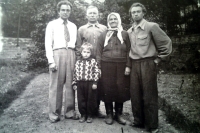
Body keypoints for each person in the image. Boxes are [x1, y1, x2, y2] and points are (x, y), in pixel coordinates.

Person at [127, 3, 172, 133]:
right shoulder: (130, 31)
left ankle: (152, 125)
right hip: (134, 64)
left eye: (138, 12)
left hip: (148, 63)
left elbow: (166, 43)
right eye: (133, 12)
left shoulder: (152, 26)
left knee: (149, 95)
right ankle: (138, 121)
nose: (135, 14)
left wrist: (158, 59)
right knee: (135, 94)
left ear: (143, 13)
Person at [45, 0, 79, 123]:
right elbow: (48, 44)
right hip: (57, 54)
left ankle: (69, 112)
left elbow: (75, 44)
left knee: (71, 84)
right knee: (56, 86)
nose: (65, 12)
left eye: (68, 10)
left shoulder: (73, 26)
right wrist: (51, 61)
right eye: (63, 10)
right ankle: (54, 114)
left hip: (71, 53)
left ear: (70, 11)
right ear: (59, 11)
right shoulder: (52, 24)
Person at [96, 12, 131, 125]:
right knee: (107, 89)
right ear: (108, 21)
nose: (113, 21)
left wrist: (128, 65)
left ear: (119, 20)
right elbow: (98, 52)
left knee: (120, 88)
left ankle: (118, 114)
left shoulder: (125, 34)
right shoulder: (103, 35)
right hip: (106, 65)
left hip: (121, 65)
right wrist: (99, 67)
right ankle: (109, 114)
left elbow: (130, 51)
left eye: (115, 19)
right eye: (110, 19)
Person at [76, 5, 107, 118]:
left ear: (98, 15)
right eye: (90, 13)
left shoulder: (104, 28)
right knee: (86, 88)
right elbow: (78, 47)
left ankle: (96, 109)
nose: (92, 15)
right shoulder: (82, 29)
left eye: (94, 13)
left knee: (98, 85)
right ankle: (85, 111)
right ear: (86, 15)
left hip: (101, 60)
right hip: (86, 62)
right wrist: (79, 61)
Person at [72, 42, 101, 123]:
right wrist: (74, 83)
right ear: (81, 52)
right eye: (84, 52)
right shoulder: (78, 62)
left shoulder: (93, 61)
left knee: (90, 99)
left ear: (91, 53)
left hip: (90, 83)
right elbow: (75, 73)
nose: (86, 54)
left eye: (88, 52)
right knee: (81, 100)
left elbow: (96, 72)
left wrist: (95, 83)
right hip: (80, 83)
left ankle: (90, 115)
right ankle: (83, 115)